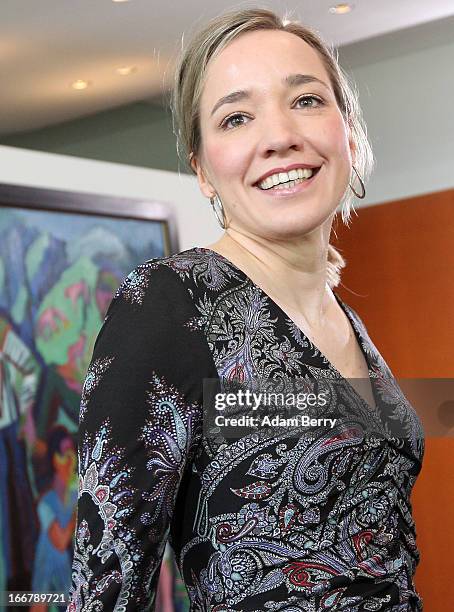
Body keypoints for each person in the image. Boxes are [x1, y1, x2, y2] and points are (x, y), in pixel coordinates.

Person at [66, 8, 424, 611]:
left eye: (306, 100)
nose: (279, 135)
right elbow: (105, 590)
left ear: (350, 132)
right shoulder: (169, 304)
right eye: (236, 117)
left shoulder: (343, 318)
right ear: (203, 170)